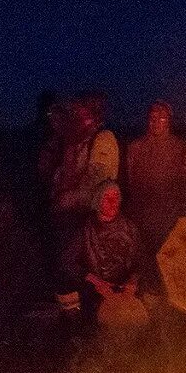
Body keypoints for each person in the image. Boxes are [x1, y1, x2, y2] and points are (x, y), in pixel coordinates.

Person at [52, 92, 119, 315]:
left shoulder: (103, 139)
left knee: (83, 265)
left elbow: (97, 179)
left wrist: (70, 197)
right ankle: (73, 315)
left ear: (94, 116)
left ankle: (93, 315)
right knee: (67, 265)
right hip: (69, 214)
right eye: (75, 114)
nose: (76, 119)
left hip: (88, 215)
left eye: (81, 114)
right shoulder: (76, 142)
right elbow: (62, 174)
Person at [60, 180, 146, 331]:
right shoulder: (85, 231)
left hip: (124, 287)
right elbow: (67, 262)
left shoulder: (129, 228)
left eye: (116, 197)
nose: (113, 202)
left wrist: (132, 282)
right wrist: (95, 281)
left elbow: (141, 260)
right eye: (107, 197)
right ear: (98, 200)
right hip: (95, 289)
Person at [125, 100, 186, 292]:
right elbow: (130, 179)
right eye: (152, 118)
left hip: (169, 214)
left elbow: (184, 182)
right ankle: (144, 296)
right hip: (143, 213)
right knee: (143, 256)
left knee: (168, 256)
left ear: (169, 120)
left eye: (161, 117)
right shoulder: (136, 147)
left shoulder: (179, 147)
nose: (156, 121)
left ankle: (169, 295)